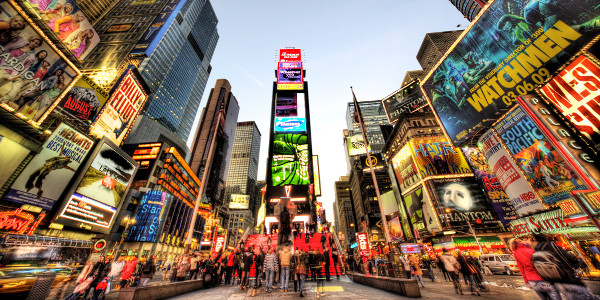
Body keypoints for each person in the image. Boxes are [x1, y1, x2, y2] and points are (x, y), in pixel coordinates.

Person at [533, 234, 596, 300]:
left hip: (557, 281)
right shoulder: (552, 246)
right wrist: (576, 261)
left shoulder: (536, 252)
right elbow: (569, 258)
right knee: (585, 296)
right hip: (568, 277)